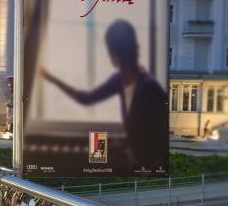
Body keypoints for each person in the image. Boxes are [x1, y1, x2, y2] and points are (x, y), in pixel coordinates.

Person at [38, 19, 168, 170]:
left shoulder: (150, 89)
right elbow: (86, 98)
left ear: (115, 54)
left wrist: (149, 169)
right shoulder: (120, 80)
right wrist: (53, 79)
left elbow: (160, 144)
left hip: (146, 167)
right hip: (137, 162)